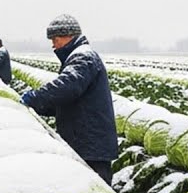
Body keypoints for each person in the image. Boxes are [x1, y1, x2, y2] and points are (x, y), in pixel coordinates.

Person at [20, 14, 118, 183]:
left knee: (94, 189)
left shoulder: (83, 56)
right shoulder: (79, 55)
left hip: (90, 143)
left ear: (67, 36)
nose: (53, 45)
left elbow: (67, 87)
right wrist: (40, 107)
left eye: (55, 39)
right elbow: (66, 100)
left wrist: (35, 98)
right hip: (84, 139)